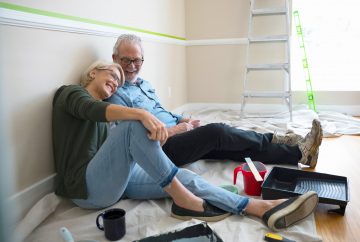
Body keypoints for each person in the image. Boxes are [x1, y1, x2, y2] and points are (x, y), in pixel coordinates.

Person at [52, 60, 318, 231]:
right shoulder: (69, 94)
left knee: (186, 176)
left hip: (112, 184)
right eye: (112, 73)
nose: (116, 82)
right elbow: (90, 109)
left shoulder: (118, 105)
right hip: (85, 189)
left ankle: (256, 208)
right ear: (92, 71)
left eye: (120, 81)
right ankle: (182, 198)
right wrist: (143, 116)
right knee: (133, 125)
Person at [107, 34, 323, 169]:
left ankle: (299, 154)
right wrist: (177, 130)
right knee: (217, 132)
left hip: (181, 132)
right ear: (115, 59)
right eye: (126, 59)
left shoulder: (144, 84)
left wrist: (182, 119)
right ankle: (276, 138)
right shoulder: (116, 95)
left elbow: (160, 111)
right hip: (163, 147)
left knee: (233, 147)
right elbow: (133, 139)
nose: (132, 65)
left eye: (137, 60)